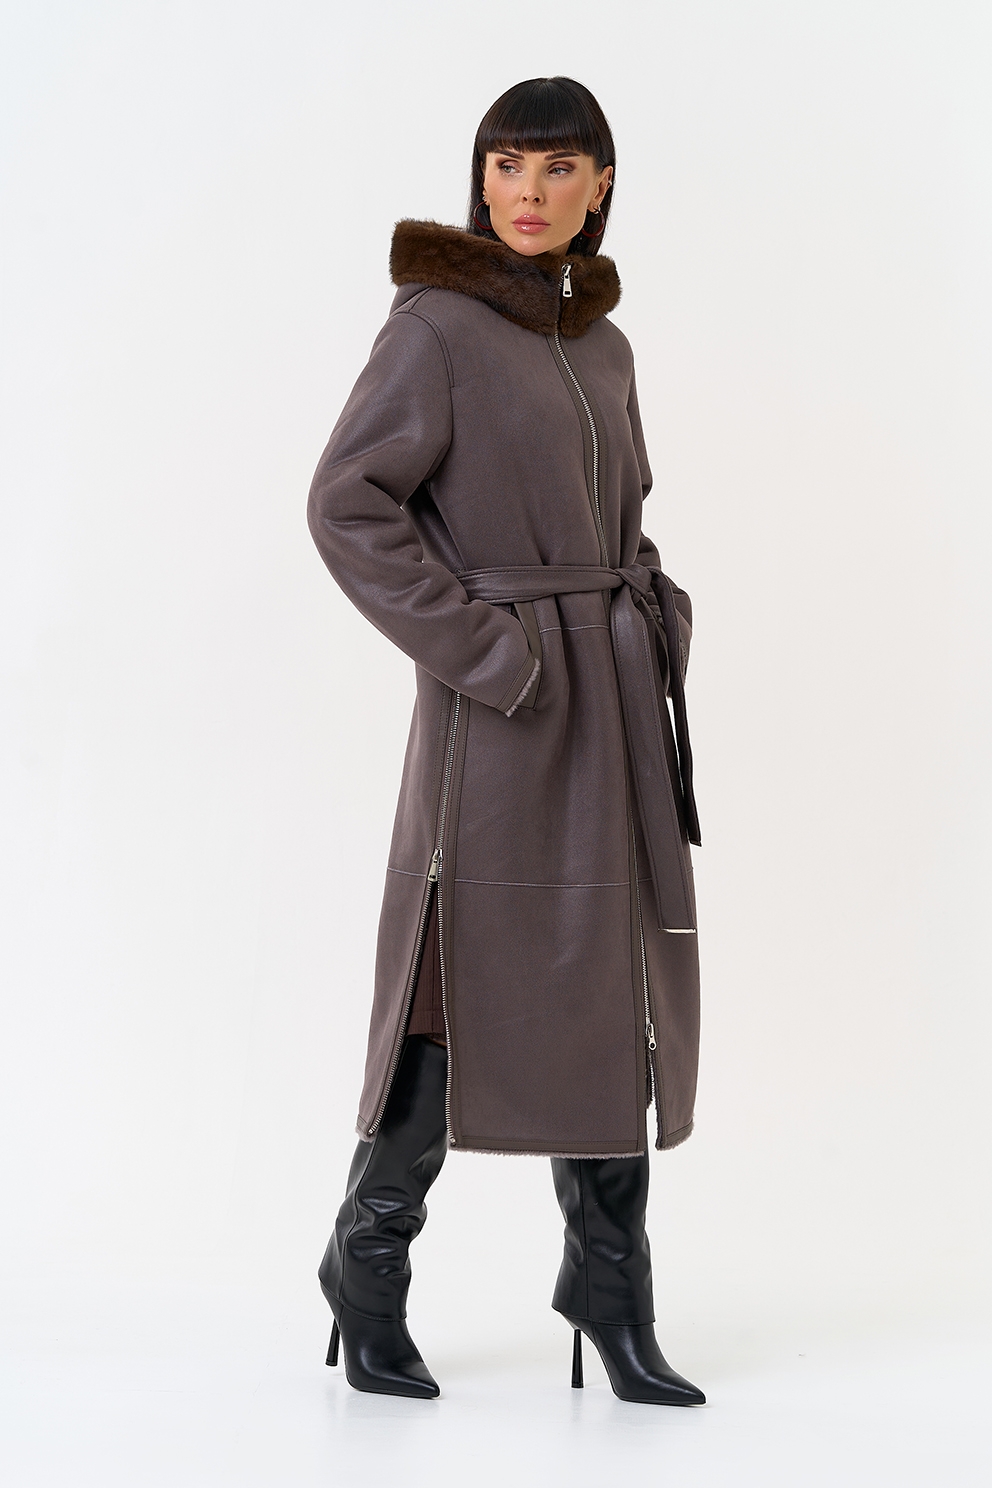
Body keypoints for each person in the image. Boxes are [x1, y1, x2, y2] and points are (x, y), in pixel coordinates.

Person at [306, 76, 704, 1406]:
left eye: (559, 168)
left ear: (602, 185)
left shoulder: (604, 343)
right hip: (503, 715)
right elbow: (348, 504)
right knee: (453, 982)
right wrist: (492, 651)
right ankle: (367, 1267)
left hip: (611, 705)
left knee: (613, 991)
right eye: (507, 165)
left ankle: (611, 1288)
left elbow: (621, 517)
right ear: (480, 180)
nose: (528, 192)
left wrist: (652, 616)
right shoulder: (435, 325)